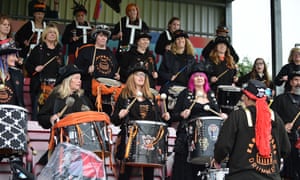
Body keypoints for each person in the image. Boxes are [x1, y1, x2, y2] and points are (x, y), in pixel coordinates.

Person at [212, 79, 291, 179]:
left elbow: (223, 146)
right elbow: (286, 149)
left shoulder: (237, 116)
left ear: (246, 97)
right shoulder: (275, 118)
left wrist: (217, 159)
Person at [111, 63, 170, 180]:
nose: (141, 77)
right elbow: (115, 120)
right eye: (138, 74)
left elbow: (156, 121)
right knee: (126, 172)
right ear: (132, 77)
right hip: (130, 139)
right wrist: (120, 115)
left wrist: (164, 116)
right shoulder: (124, 96)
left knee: (148, 172)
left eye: (143, 75)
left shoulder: (151, 98)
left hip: (149, 140)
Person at [170, 64, 227, 180]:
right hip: (188, 138)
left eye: (202, 76)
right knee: (185, 171)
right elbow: (173, 116)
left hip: (207, 140)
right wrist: (181, 114)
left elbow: (216, 113)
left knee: (202, 172)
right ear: (192, 79)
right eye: (196, 76)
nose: (199, 78)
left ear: (205, 79)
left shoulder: (211, 95)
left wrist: (222, 115)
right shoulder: (185, 94)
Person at [37, 64, 94, 165]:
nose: (79, 81)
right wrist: (51, 118)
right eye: (76, 78)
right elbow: (41, 117)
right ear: (68, 80)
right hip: (61, 143)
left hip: (82, 145)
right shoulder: (56, 96)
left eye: (80, 79)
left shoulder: (84, 99)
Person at [75, 25, 120, 114]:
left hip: (107, 92)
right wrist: (87, 70)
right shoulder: (86, 51)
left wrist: (117, 76)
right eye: (101, 35)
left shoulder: (110, 53)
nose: (103, 38)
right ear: (95, 36)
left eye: (105, 36)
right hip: (90, 92)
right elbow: (76, 70)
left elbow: (114, 70)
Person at [25, 23, 64, 121]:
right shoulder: (38, 49)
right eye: (50, 32)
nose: (52, 34)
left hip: (54, 87)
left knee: (53, 112)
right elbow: (27, 64)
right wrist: (35, 69)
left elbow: (62, 68)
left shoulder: (59, 50)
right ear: (45, 34)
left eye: (54, 33)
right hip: (39, 86)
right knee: (38, 113)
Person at [271, 71, 300, 179]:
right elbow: (270, 118)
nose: (299, 83)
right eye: (296, 80)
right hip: (288, 144)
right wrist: (282, 126)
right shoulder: (280, 99)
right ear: (291, 82)